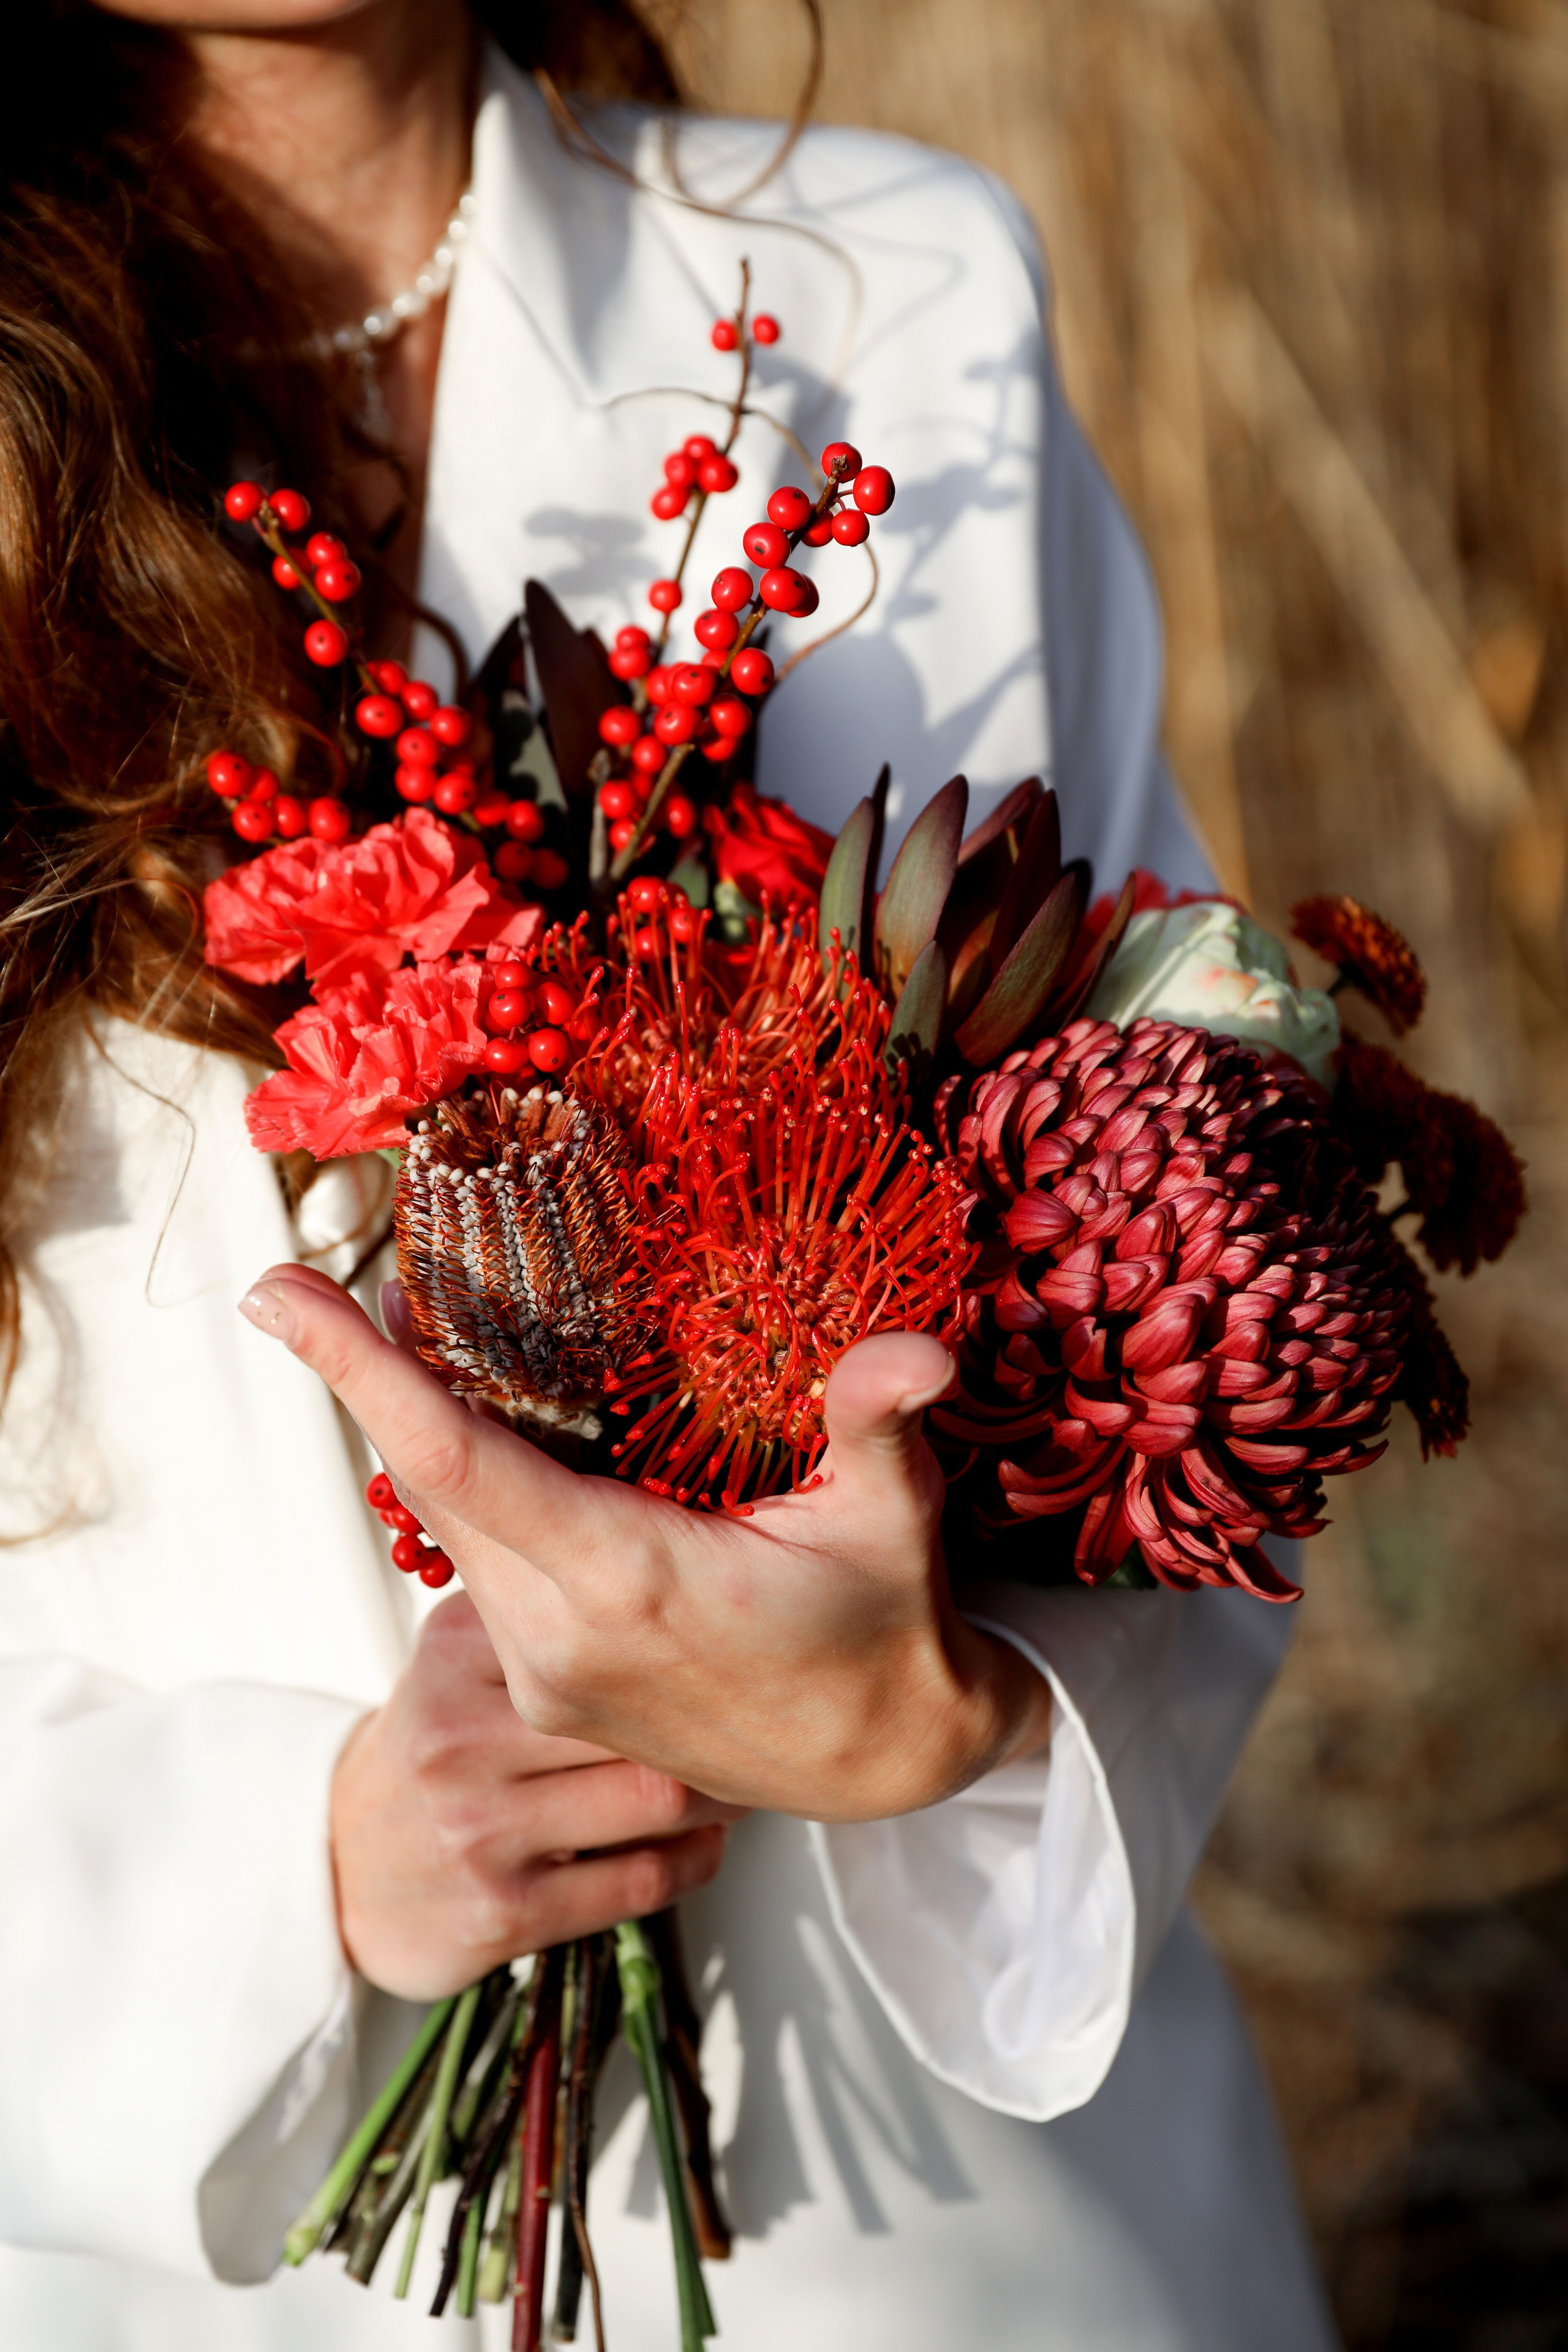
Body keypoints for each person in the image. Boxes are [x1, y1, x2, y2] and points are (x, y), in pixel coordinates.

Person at [0, 2, 1341, 2345]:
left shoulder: (880, 306)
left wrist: (966, 1725)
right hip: (183, 2236)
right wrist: (281, 1882)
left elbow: (1190, 1207)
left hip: (943, 2227)